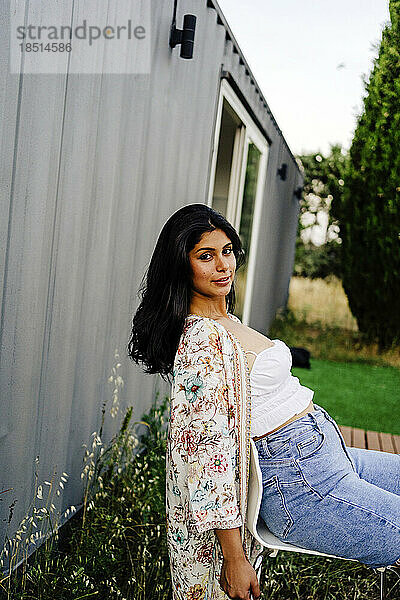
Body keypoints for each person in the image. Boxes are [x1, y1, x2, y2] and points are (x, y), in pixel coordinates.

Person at [127, 203, 400, 600]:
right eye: (206, 256)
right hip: (300, 482)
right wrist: (234, 556)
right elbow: (207, 453)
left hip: (328, 455)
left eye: (227, 252)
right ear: (180, 267)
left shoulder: (227, 322)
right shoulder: (202, 342)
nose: (223, 266)